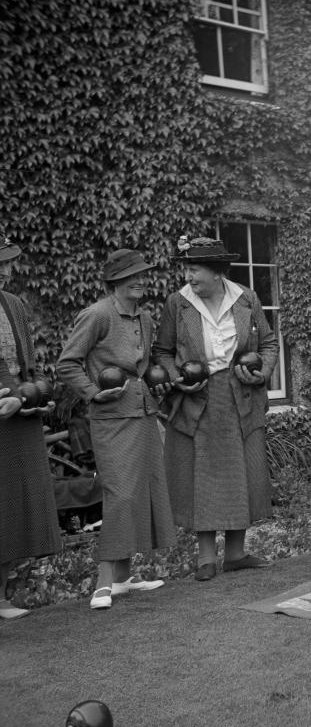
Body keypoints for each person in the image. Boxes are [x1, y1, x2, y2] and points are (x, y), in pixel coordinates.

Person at [153, 237, 278, 581]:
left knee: (242, 473)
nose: (189, 276)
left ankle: (236, 554)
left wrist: (262, 373)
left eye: (195, 269)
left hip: (241, 395)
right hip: (198, 398)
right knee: (203, 475)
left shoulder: (246, 298)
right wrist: (178, 377)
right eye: (187, 269)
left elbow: (267, 342)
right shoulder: (178, 303)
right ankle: (206, 558)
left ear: (217, 272)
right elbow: (162, 351)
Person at [57, 249, 177, 609]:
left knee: (140, 492)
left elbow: (146, 364)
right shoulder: (96, 315)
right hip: (111, 419)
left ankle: (124, 579)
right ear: (115, 281)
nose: (141, 280)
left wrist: (159, 384)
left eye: (143, 275)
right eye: (133, 276)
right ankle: (102, 583)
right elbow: (67, 363)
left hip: (142, 413)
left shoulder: (144, 316)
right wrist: (93, 392)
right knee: (120, 494)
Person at [0, 235, 61, 619]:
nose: (6, 270)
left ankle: (1, 597)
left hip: (17, 415)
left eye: (7, 262)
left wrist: (35, 396)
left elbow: (30, 368)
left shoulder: (14, 304)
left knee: (12, 506)